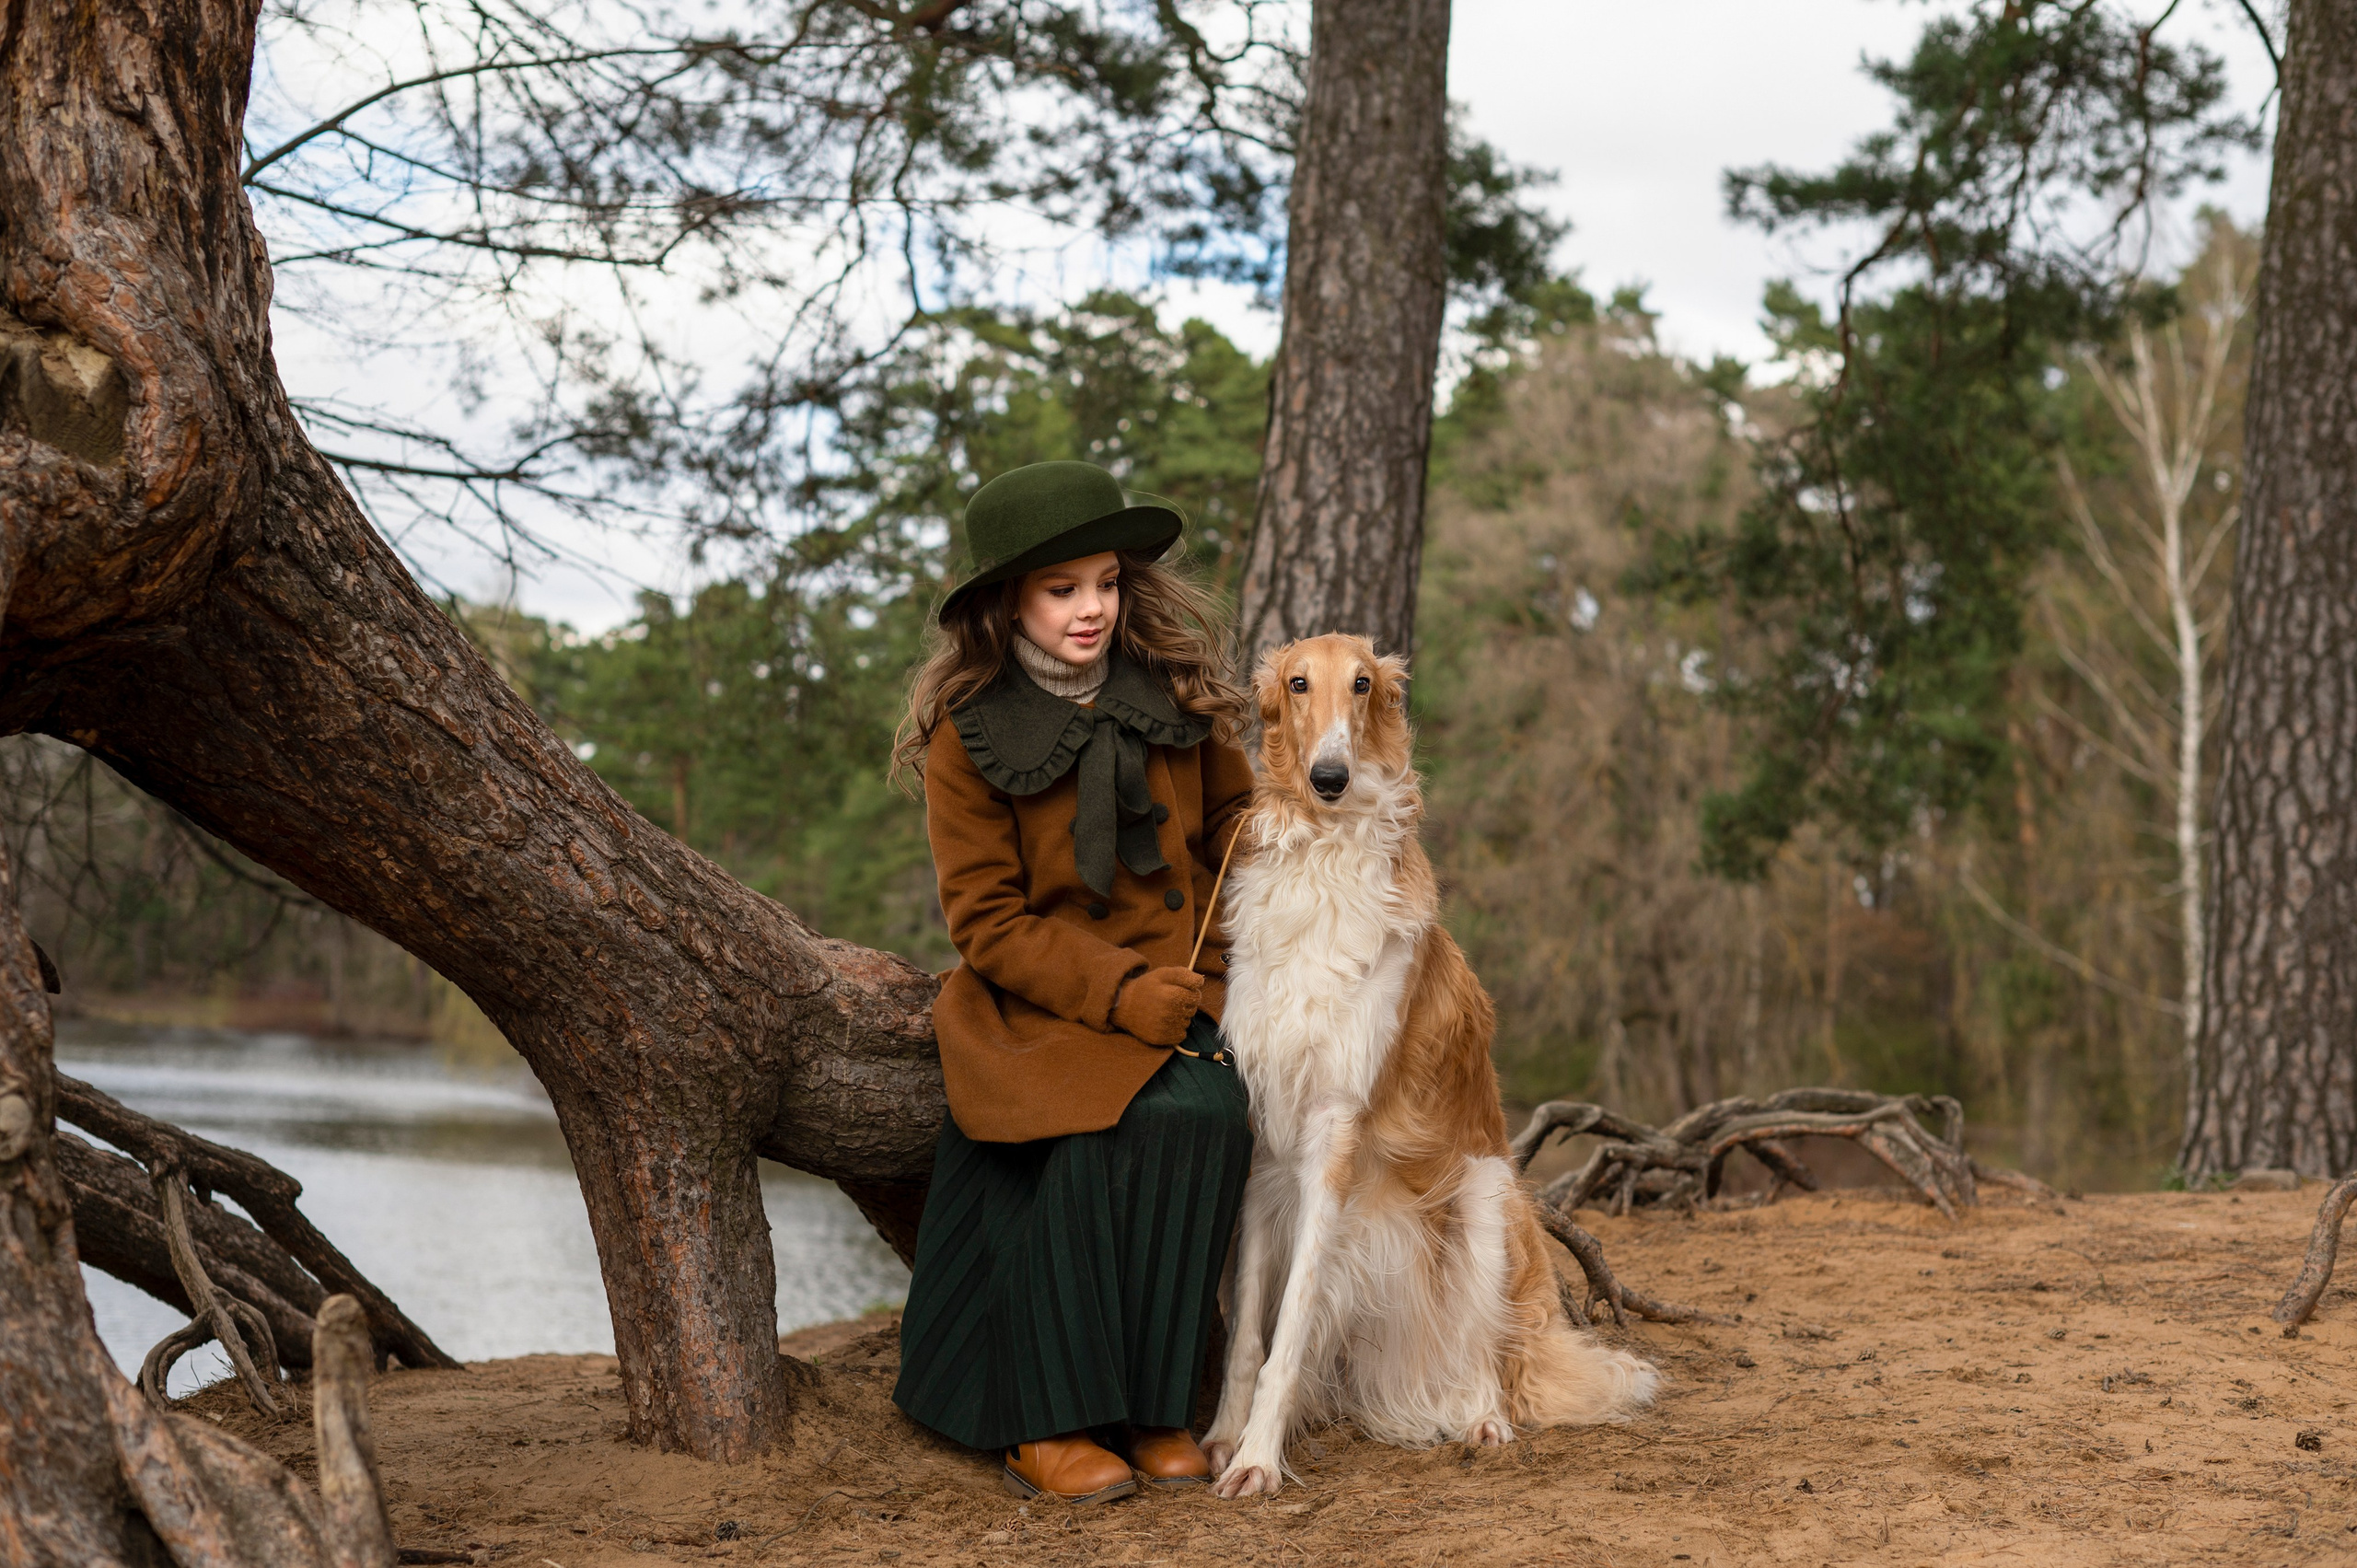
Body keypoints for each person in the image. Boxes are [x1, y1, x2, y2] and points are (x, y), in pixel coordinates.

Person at [889, 459, 1255, 1505]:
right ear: (1008, 601)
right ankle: (1043, 1418)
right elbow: (988, 922)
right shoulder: (968, 740)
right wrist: (1117, 991)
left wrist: (1225, 947)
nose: (1091, 607)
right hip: (1042, 1002)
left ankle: (1153, 1403)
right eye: (1062, 588)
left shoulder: (1175, 695)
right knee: (1098, 1129)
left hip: (1186, 984)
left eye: (1104, 581)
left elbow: (1233, 827)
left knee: (1206, 1113)